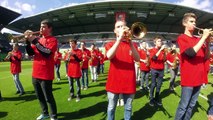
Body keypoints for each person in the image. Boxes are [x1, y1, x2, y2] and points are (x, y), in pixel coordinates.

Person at [174, 13, 211, 120]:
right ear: (184, 23)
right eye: (191, 21)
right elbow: (190, 53)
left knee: (191, 106)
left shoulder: (197, 39)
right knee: (183, 106)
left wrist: (207, 43)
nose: (194, 24)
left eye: (195, 22)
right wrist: (203, 37)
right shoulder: (182, 38)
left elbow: (206, 57)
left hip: (199, 78)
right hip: (189, 79)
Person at [105, 20, 140, 120]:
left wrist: (131, 43)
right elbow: (109, 56)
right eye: (119, 27)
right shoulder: (110, 44)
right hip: (113, 82)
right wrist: (119, 39)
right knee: (111, 108)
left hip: (129, 82)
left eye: (124, 26)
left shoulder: (132, 45)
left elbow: (137, 58)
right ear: (115, 31)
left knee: (128, 108)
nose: (122, 28)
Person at [25, 19, 58, 120]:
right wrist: (27, 41)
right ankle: (45, 113)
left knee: (48, 97)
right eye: (40, 26)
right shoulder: (38, 39)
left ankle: (53, 116)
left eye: (44, 27)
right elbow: (31, 53)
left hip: (46, 74)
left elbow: (46, 52)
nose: (41, 28)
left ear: (49, 28)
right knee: (39, 96)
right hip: (36, 73)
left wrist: (34, 40)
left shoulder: (53, 40)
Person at [149, 36, 166, 106]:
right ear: (155, 43)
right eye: (158, 41)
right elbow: (154, 58)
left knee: (159, 85)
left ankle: (157, 98)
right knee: (153, 85)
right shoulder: (152, 50)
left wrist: (164, 53)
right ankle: (151, 98)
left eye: (160, 41)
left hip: (161, 70)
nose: (160, 42)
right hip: (154, 69)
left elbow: (165, 60)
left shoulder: (163, 51)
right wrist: (160, 50)